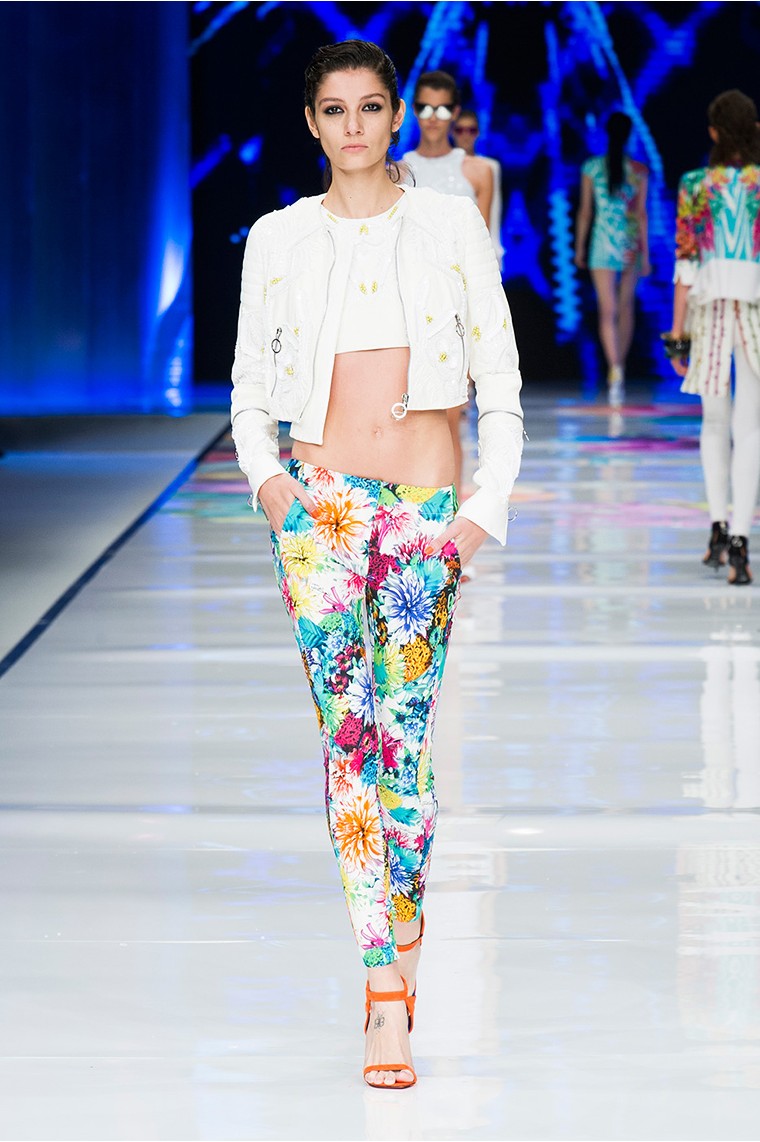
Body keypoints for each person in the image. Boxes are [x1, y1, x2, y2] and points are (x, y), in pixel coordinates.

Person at [230, 40, 524, 1088]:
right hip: (319, 514)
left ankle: (403, 921)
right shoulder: (277, 237)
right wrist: (271, 485)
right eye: (334, 109)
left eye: (369, 107)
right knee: (347, 747)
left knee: (406, 749)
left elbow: (499, 372)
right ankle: (384, 986)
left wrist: (480, 511)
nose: (353, 126)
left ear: (396, 115)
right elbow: (248, 386)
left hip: (422, 519)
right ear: (311, 122)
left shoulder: (449, 224)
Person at [665, 89, 760, 586]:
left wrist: (677, 334)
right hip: (756, 310)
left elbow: (685, 263)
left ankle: (720, 527)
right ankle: (740, 539)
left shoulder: (696, 184)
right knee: (751, 428)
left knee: (715, 421)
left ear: (714, 132)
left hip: (711, 311)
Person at [402, 73, 496, 536]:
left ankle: (448, 531)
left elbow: (485, 253)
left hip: (456, 313)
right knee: (408, 422)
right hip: (406, 311)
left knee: (451, 419)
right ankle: (411, 526)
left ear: (455, 113)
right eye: (424, 108)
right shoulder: (397, 171)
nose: (433, 118)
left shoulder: (478, 172)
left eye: (442, 109)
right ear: (411, 111)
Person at [575, 112, 650, 406]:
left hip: (603, 242)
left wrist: (580, 248)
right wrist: (646, 255)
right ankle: (619, 367)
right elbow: (641, 215)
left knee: (608, 310)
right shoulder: (638, 170)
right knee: (624, 307)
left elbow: (586, 211)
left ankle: (615, 369)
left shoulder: (592, 167)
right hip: (629, 243)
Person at [452, 108, 504, 272]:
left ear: (478, 133)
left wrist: (494, 249)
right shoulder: (443, 166)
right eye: (460, 130)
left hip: (480, 248)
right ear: (452, 132)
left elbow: (494, 210)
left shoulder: (490, 167)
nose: (465, 135)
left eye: (471, 130)